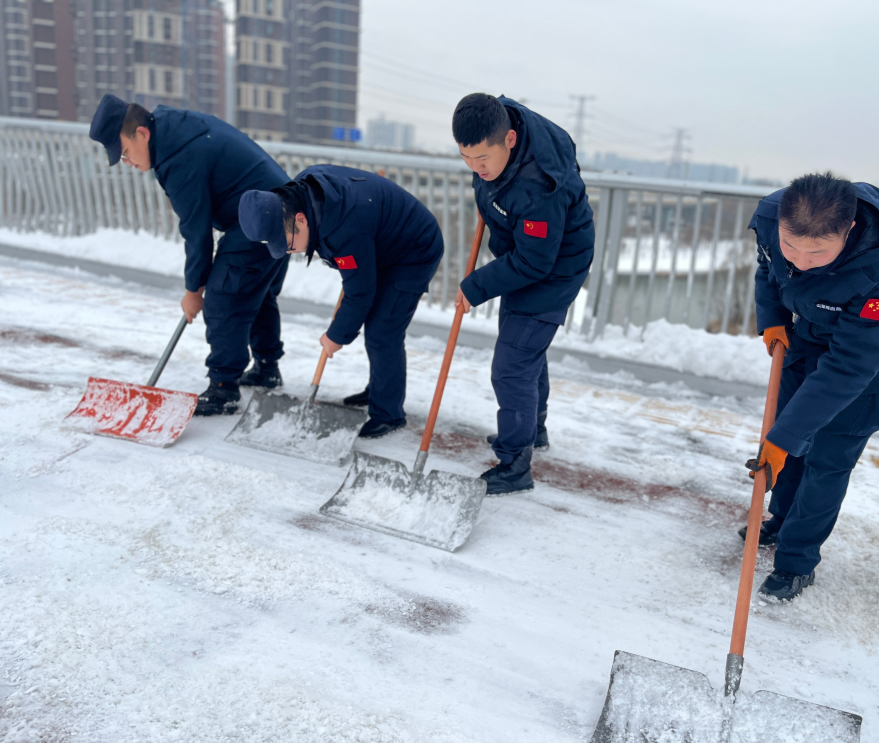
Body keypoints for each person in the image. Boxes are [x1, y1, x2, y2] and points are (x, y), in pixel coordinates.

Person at [744, 172, 879, 600]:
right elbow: (768, 266)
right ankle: (782, 519)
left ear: (848, 230)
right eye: (790, 245)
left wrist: (784, 438)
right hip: (814, 318)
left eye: (816, 251)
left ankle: (796, 562)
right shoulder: (771, 215)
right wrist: (772, 315)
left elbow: (853, 362)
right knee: (791, 419)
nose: (799, 261)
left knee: (830, 450)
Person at [88, 94, 291, 415]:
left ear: (141, 133)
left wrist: (194, 290)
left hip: (260, 216)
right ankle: (267, 369)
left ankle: (223, 388)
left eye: (125, 153)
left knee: (225, 296)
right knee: (253, 290)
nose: (127, 163)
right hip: (280, 208)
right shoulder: (172, 128)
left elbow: (196, 230)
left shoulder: (179, 156)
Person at [452, 93, 594, 496]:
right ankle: (532, 429)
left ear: (510, 140)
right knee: (524, 348)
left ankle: (514, 465)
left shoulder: (538, 188)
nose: (476, 168)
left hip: (554, 267)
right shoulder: (500, 121)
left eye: (483, 159)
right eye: (466, 159)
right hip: (525, 254)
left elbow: (534, 263)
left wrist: (475, 286)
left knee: (511, 366)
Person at [238, 165, 444, 438]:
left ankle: (388, 414)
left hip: (413, 249)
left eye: (288, 243)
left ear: (300, 219)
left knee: (383, 331)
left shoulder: (344, 228)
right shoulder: (301, 197)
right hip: (376, 242)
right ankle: (379, 389)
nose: (290, 251)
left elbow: (360, 292)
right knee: (378, 326)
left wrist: (336, 336)